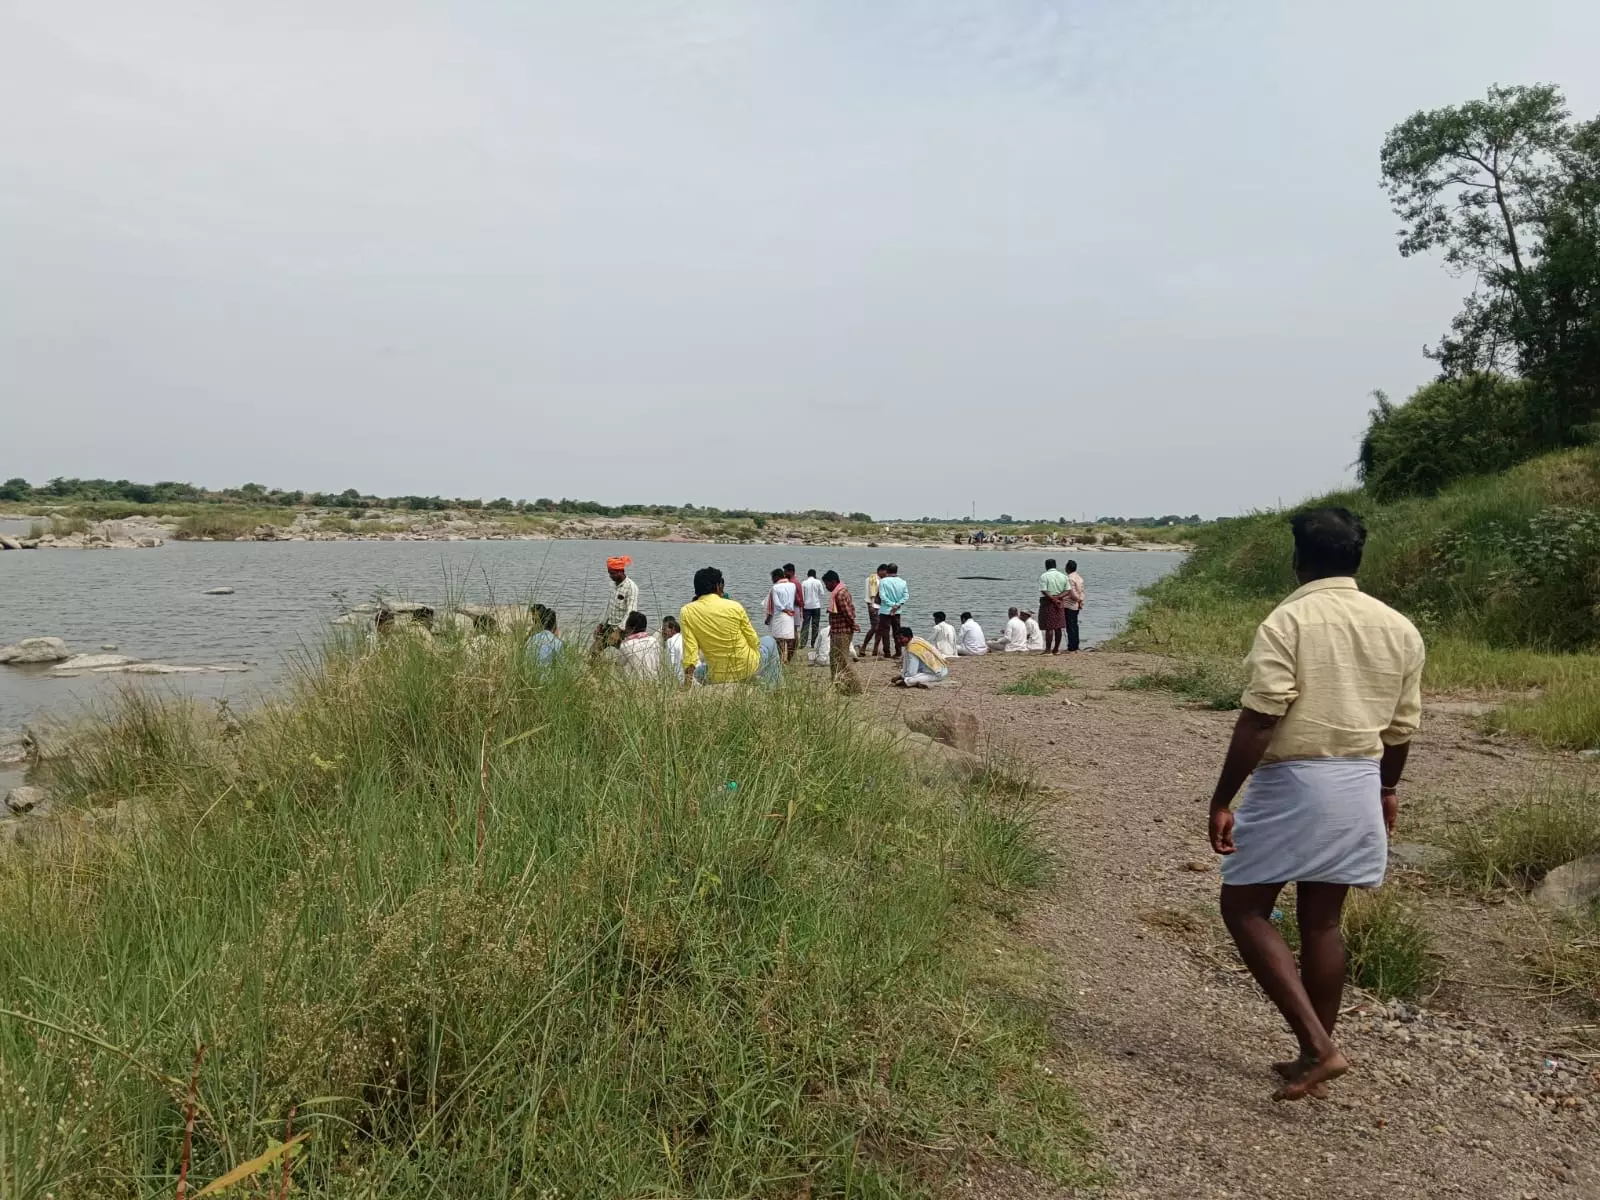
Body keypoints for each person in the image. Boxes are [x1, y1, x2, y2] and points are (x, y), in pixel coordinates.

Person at [1206, 507, 1423, 1103]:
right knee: (1323, 921)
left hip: (1295, 779)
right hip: (1359, 776)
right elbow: (1401, 730)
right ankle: (1312, 1055)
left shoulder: (1289, 620)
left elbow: (1261, 717)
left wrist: (1224, 798)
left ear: (1298, 559)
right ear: (1357, 557)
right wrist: (1385, 789)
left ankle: (1319, 1048)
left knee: (1246, 908)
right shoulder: (1397, 627)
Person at [678, 567, 782, 686]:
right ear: (717, 586)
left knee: (699, 672)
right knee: (769, 641)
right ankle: (774, 687)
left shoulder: (686, 611)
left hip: (717, 674)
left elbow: (690, 651)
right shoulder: (735, 607)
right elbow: (754, 640)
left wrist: (687, 683)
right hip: (746, 666)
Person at [594, 556, 640, 653]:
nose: (610, 576)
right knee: (593, 652)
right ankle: (597, 667)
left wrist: (618, 631)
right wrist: (601, 624)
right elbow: (609, 607)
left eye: (612, 573)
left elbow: (631, 612)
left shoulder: (631, 587)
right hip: (609, 626)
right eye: (609, 573)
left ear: (620, 571)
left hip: (623, 630)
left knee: (627, 655)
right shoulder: (613, 585)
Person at [822, 569, 858, 686]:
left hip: (842, 631)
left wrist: (853, 624)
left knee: (842, 660)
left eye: (826, 584)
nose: (826, 587)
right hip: (837, 630)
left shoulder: (840, 594)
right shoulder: (839, 592)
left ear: (833, 582)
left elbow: (847, 612)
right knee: (835, 658)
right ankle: (838, 683)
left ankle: (854, 686)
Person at [765, 567, 799, 662]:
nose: (772, 580)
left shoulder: (775, 588)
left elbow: (777, 604)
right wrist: (788, 611)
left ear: (776, 577)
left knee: (779, 641)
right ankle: (788, 660)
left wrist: (784, 610)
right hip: (790, 616)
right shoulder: (792, 585)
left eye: (773, 578)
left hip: (779, 616)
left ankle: (780, 661)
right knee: (789, 639)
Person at [617, 611, 662, 680]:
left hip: (635, 684)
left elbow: (619, 664)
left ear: (631, 628)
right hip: (654, 680)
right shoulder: (654, 641)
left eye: (625, 626)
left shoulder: (626, 645)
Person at [876, 564, 908, 659]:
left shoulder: (883, 581)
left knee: (885, 632)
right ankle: (898, 651)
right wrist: (897, 605)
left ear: (887, 571)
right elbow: (906, 596)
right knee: (897, 632)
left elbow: (882, 596)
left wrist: (891, 604)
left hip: (885, 611)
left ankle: (887, 653)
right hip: (897, 611)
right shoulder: (903, 582)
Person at [1039, 557, 1071, 654]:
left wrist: (1053, 599)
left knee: (1049, 627)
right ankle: (1056, 649)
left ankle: (1048, 650)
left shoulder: (1044, 576)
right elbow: (1068, 590)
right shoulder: (1063, 576)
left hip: (1048, 602)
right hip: (1059, 602)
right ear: (1055, 566)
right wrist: (1058, 598)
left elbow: (1044, 590)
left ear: (1046, 566)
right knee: (1058, 626)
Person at [860, 565, 885, 657]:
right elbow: (871, 594)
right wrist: (871, 605)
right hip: (873, 605)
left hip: (879, 606)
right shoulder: (873, 579)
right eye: (885, 573)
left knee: (879, 628)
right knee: (875, 627)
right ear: (880, 571)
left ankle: (875, 648)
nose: (886, 575)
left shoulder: (880, 580)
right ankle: (864, 646)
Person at [800, 569, 826, 649]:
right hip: (816, 606)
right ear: (815, 575)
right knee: (815, 626)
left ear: (808, 575)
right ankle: (813, 644)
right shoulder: (818, 582)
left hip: (806, 607)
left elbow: (802, 596)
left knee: (805, 625)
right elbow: (822, 593)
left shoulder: (804, 583)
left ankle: (803, 644)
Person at [1064, 559, 1086, 652]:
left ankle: (1072, 646)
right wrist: (1080, 600)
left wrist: (1077, 599)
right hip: (1077, 604)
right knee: (1074, 625)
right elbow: (1082, 592)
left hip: (1069, 604)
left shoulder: (1069, 578)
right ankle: (1075, 645)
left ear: (1067, 568)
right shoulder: (1079, 577)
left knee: (1070, 626)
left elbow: (1072, 593)